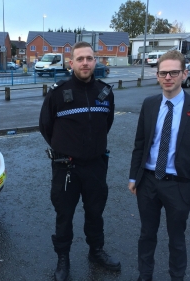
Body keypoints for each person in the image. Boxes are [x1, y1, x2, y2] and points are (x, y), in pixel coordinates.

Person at [128, 50, 190, 281]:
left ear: (184, 74)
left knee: (177, 238)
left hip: (178, 186)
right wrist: (133, 177)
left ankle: (177, 277)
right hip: (147, 181)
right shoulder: (149, 104)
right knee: (147, 234)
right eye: (163, 73)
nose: (168, 77)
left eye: (174, 72)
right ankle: (144, 276)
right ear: (157, 75)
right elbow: (140, 144)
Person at [39, 41, 121, 281]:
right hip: (66, 167)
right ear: (71, 63)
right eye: (80, 59)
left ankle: (96, 251)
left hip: (96, 165)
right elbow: (46, 127)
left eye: (89, 58)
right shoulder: (57, 92)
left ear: (95, 61)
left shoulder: (105, 92)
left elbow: (107, 124)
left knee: (95, 212)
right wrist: (67, 147)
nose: (85, 62)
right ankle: (63, 259)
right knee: (64, 214)